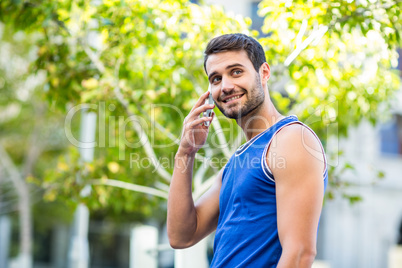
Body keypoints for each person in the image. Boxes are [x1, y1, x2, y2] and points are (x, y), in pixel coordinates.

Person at [167, 33, 328, 267]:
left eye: (236, 71)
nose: (226, 86)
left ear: (264, 73)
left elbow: (300, 253)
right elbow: (181, 236)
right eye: (215, 79)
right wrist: (185, 153)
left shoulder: (291, 138)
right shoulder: (237, 162)